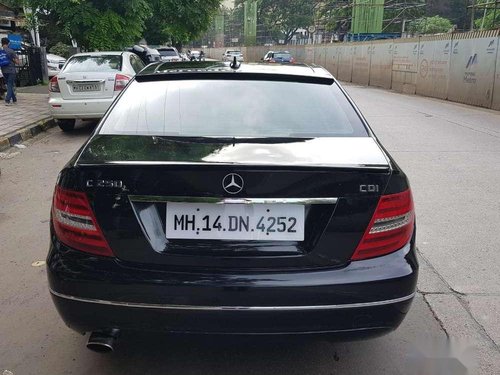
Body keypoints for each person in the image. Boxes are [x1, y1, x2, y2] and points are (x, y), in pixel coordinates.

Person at [1, 37, 19, 106]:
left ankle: (14, 100)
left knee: (9, 85)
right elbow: (17, 62)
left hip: (4, 71)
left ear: (2, 43)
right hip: (11, 70)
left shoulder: (1, 52)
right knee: (10, 85)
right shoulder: (11, 51)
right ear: (8, 43)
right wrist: (13, 60)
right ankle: (7, 100)